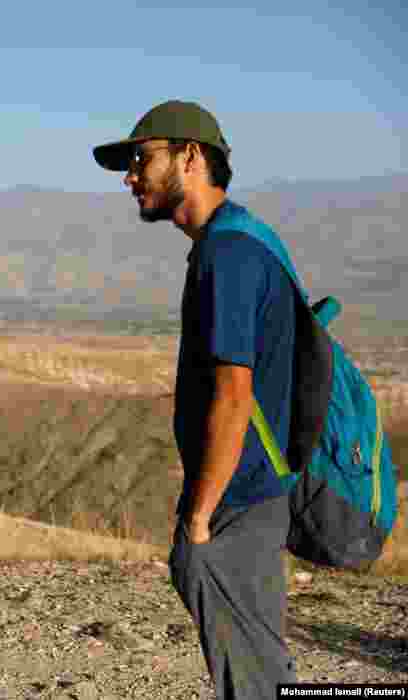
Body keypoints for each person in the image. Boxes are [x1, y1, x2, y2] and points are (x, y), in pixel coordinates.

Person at [93, 101, 299, 699]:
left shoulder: (228, 254)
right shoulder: (241, 237)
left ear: (190, 157)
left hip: (237, 499)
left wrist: (200, 516)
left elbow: (235, 394)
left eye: (140, 158)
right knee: (261, 666)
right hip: (255, 489)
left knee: (252, 676)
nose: (130, 176)